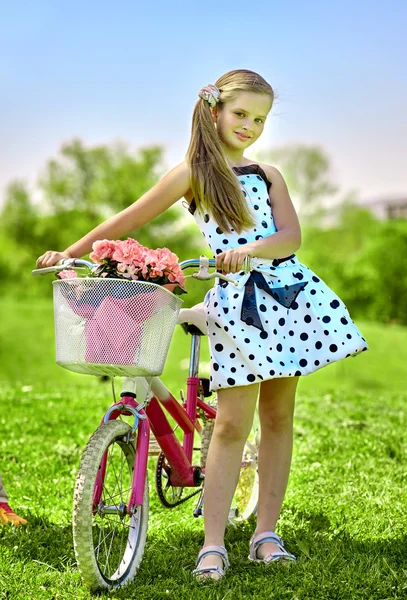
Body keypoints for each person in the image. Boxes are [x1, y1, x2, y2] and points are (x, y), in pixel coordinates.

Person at [37, 69, 368, 580]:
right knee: (233, 423)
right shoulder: (192, 172)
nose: (250, 126)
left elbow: (290, 238)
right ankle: (213, 544)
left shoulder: (268, 174)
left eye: (259, 119)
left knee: (279, 416)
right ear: (214, 110)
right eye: (241, 114)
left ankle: (265, 533)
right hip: (237, 306)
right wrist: (74, 251)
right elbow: (129, 218)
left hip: (288, 298)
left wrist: (250, 250)